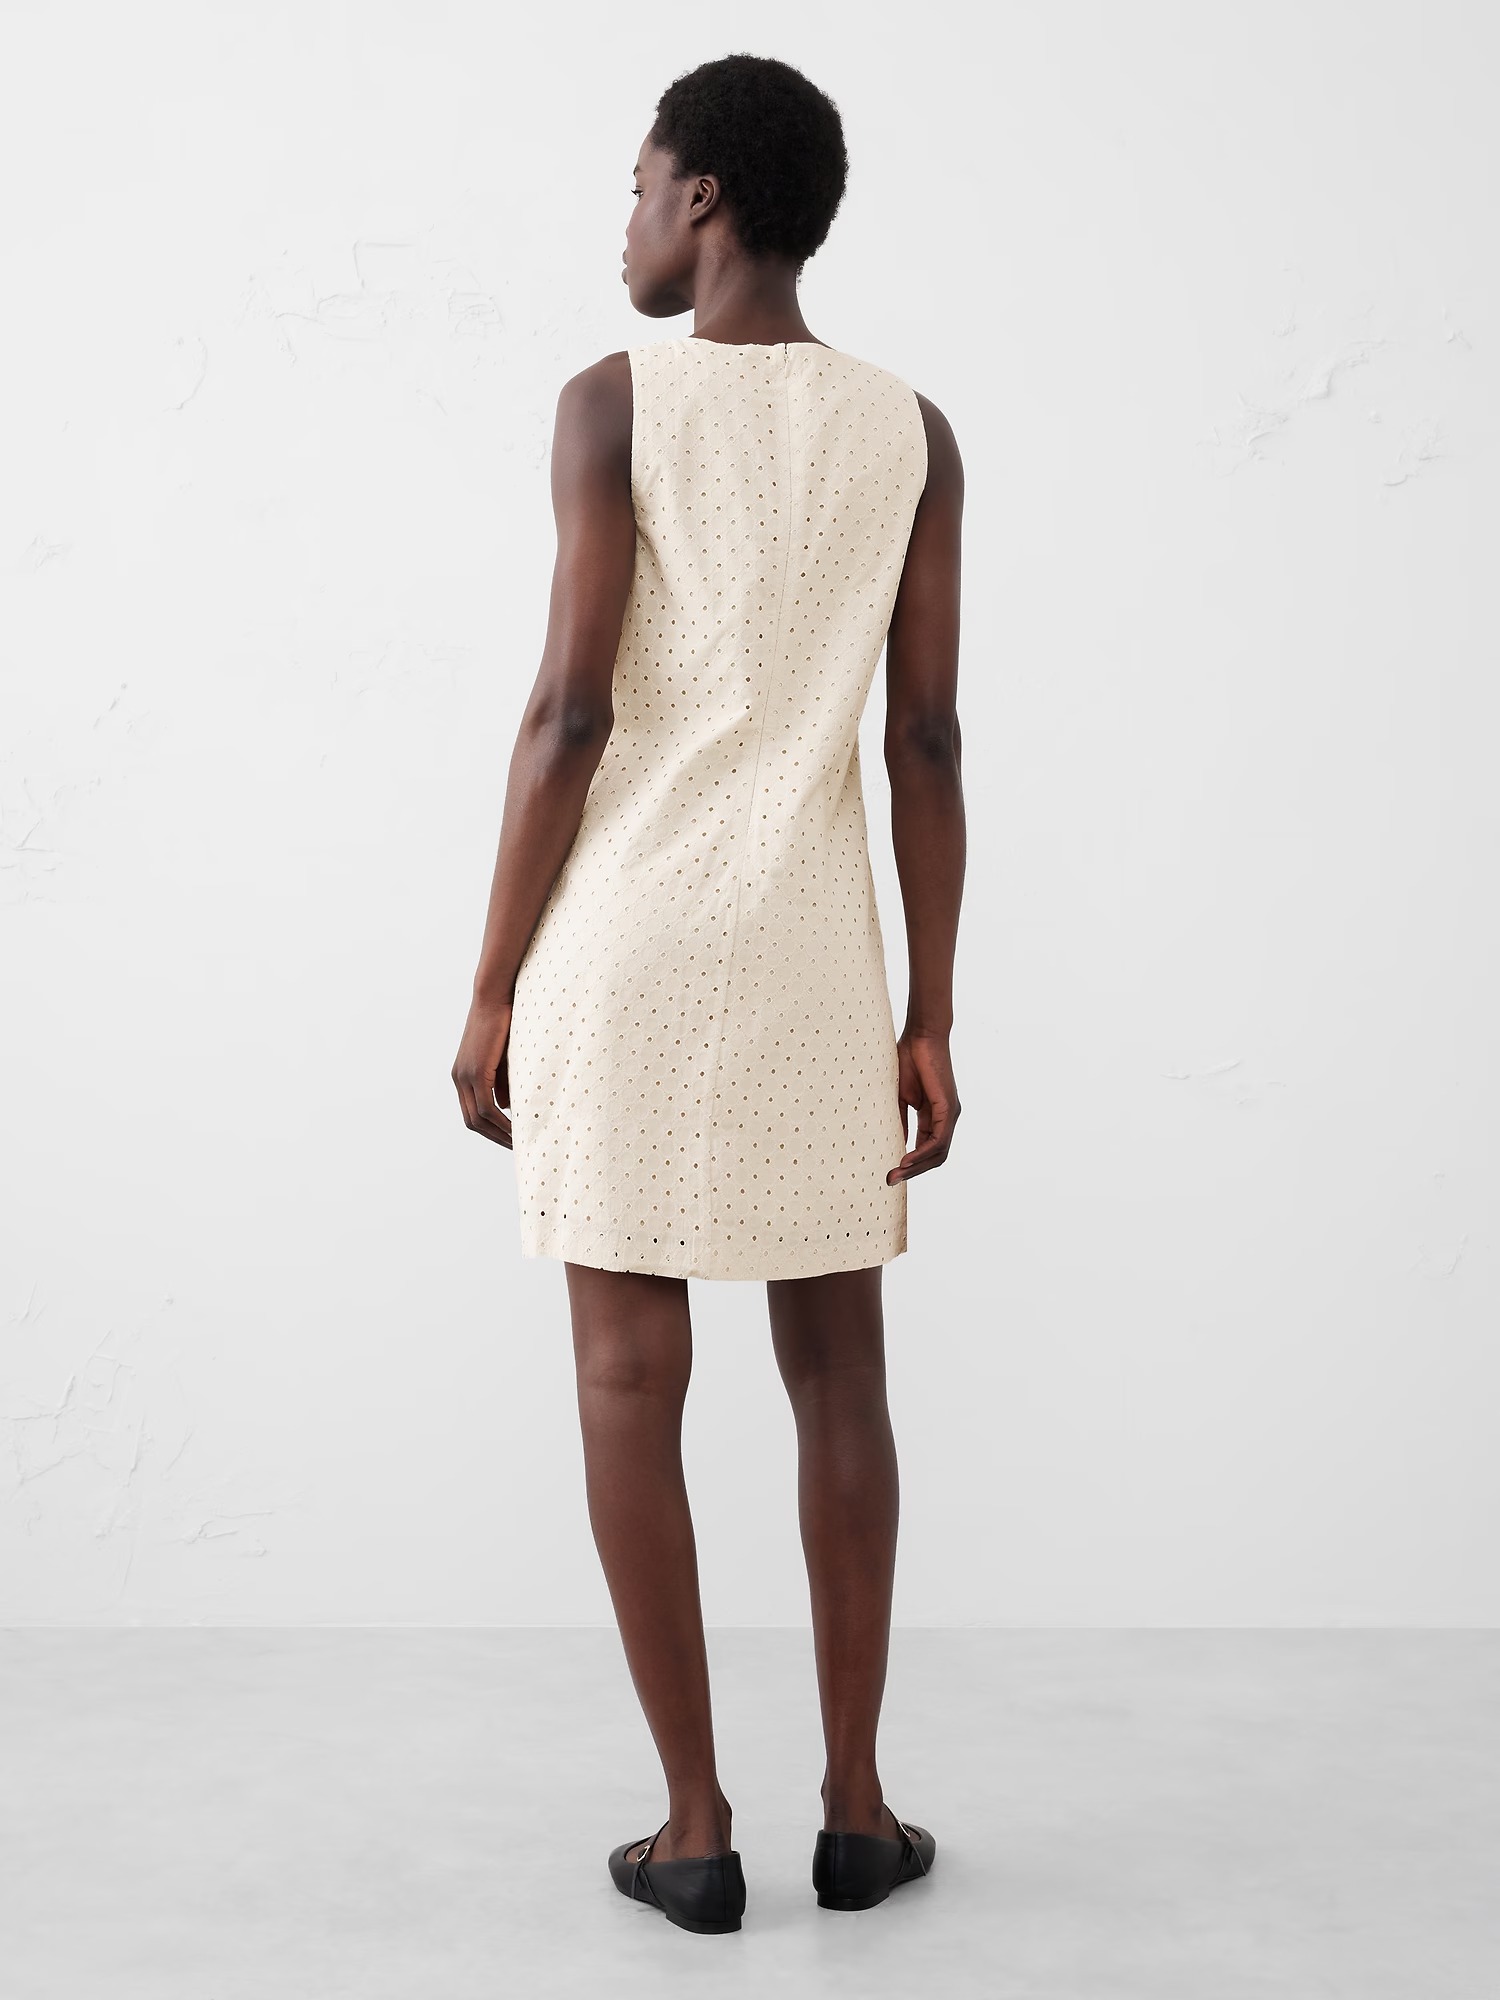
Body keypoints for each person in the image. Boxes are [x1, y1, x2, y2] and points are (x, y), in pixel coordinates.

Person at [452, 53, 964, 1934]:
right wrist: (932, 1013)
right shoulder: (913, 432)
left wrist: (488, 986)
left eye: (638, 185)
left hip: (627, 952)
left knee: (625, 1379)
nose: (626, 225)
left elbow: (570, 714)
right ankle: (859, 1812)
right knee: (840, 1381)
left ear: (705, 200)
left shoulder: (613, 403)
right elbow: (926, 741)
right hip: (819, 959)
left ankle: (691, 1829)